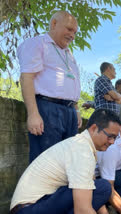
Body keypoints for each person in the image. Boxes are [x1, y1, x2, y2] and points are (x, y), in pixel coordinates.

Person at [10, 109, 121, 214]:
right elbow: (82, 210)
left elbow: (92, 195)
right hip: (30, 209)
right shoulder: (82, 151)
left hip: (35, 206)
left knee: (100, 188)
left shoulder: (81, 145)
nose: (113, 142)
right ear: (93, 128)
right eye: (111, 136)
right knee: (103, 187)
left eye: (115, 138)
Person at [18, 11, 82, 162]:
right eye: (69, 29)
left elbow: (72, 82)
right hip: (48, 109)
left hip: (70, 112)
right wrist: (33, 114)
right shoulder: (36, 43)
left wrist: (76, 109)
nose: (72, 35)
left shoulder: (68, 53)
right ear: (54, 24)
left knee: (67, 162)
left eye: (74, 32)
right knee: (46, 162)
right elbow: (26, 78)